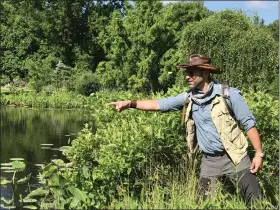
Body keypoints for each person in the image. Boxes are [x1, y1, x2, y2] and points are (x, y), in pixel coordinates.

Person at [109, 54, 263, 206]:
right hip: (209, 162)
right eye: (186, 73)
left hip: (235, 157)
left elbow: (248, 123)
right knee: (205, 205)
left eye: (191, 73)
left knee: (255, 200)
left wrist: (258, 153)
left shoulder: (228, 95)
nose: (187, 77)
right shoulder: (189, 98)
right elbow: (159, 104)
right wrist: (130, 103)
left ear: (205, 72)